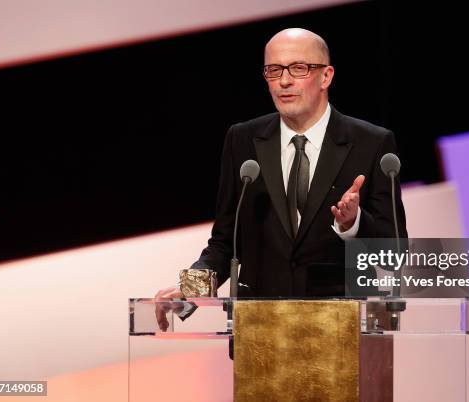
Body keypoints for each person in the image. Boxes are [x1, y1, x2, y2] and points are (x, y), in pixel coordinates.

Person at [156, 28, 407, 321]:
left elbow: (394, 251)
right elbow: (226, 242)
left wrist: (353, 224)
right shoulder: (243, 140)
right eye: (273, 70)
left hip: (339, 329)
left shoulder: (371, 143)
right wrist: (188, 291)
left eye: (298, 68)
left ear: (326, 76)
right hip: (259, 333)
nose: (284, 81)